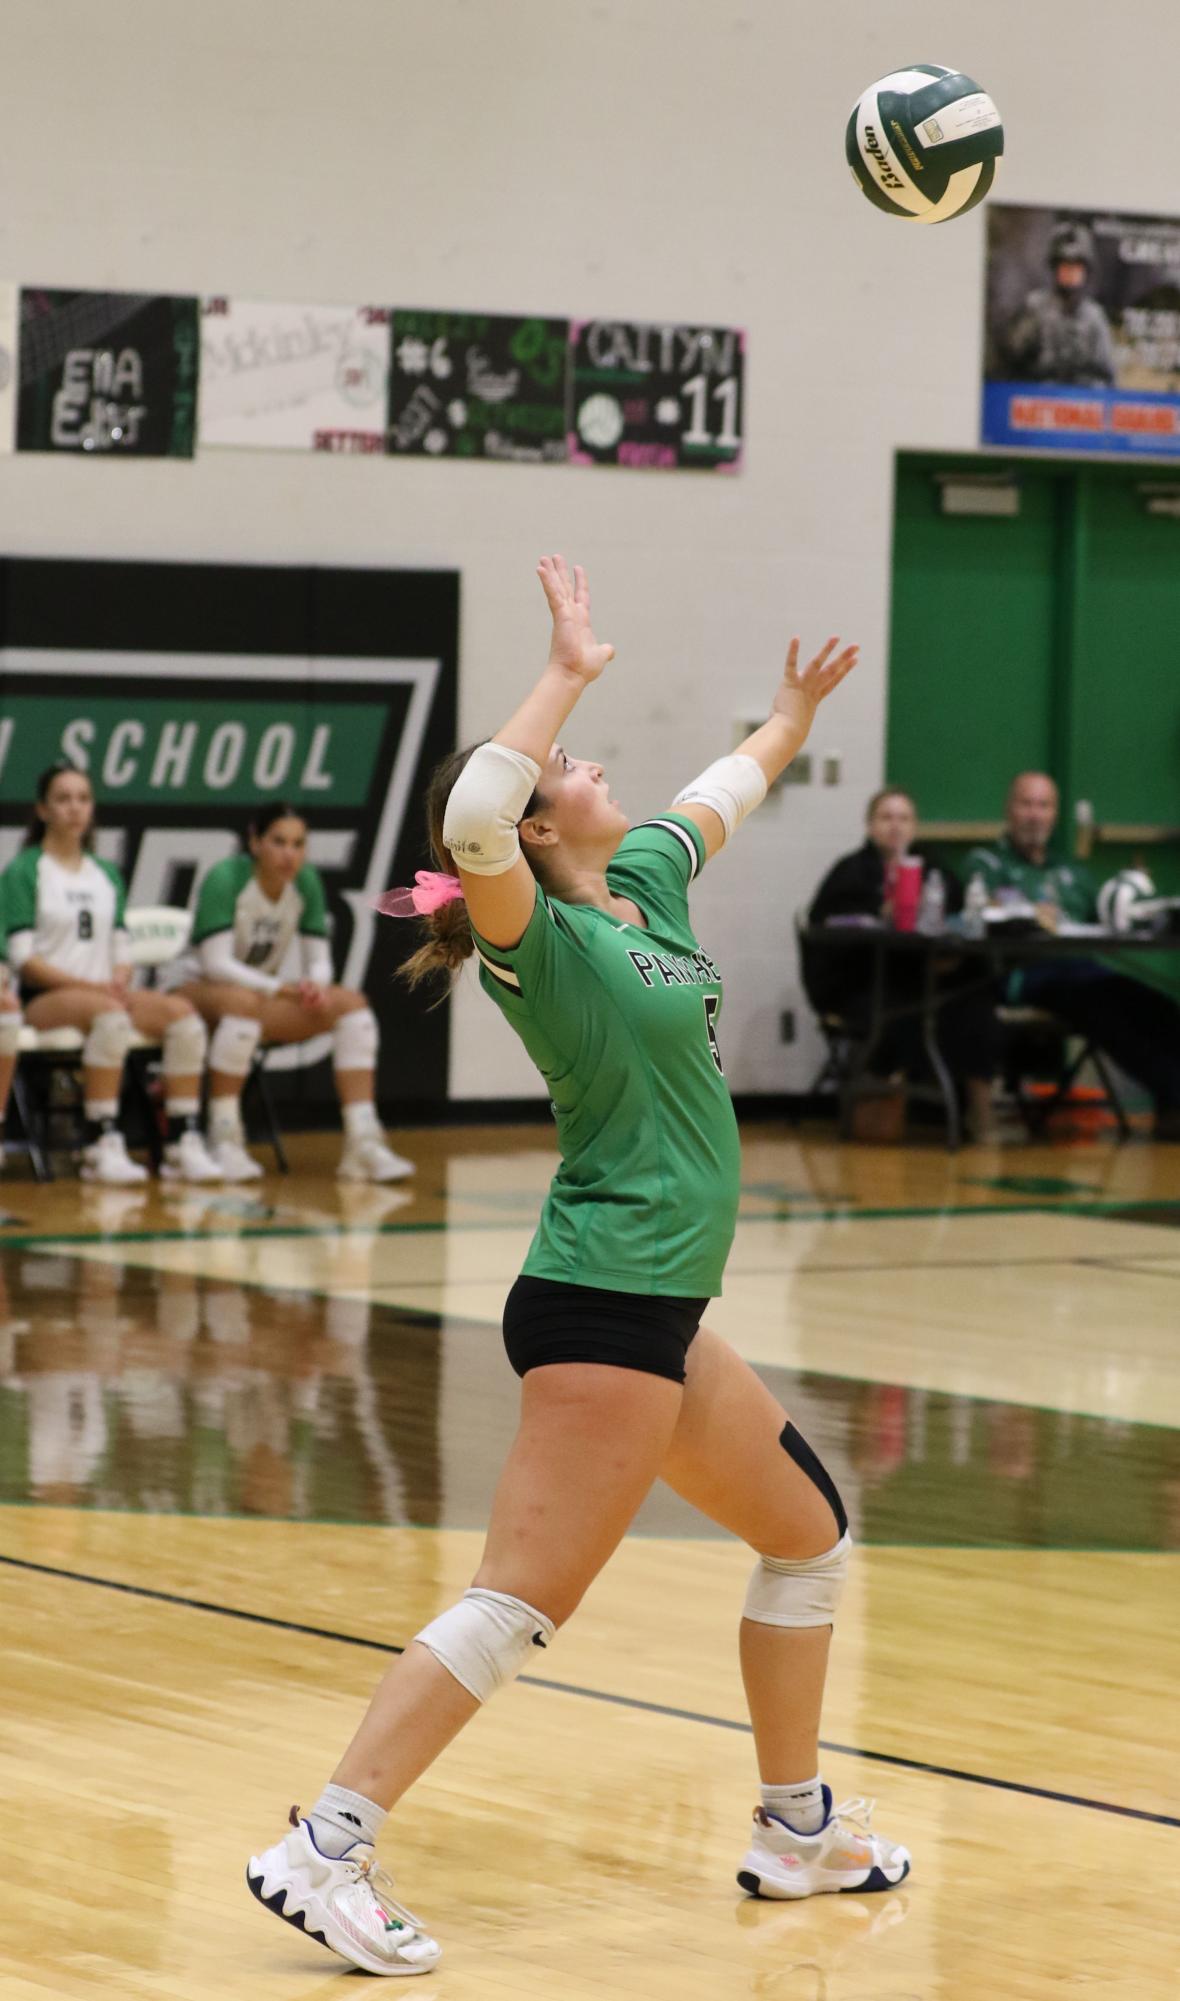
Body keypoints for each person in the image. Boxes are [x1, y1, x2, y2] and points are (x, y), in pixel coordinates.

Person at [245, 556, 909, 1976]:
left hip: (661, 1310)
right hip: (603, 1298)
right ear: (537, 827)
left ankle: (797, 1826)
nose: (594, 764)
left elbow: (734, 780)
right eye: (569, 765)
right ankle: (327, 1844)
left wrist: (791, 712)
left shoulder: (649, 885)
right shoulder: (529, 935)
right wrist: (566, 672)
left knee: (806, 1538)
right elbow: (475, 808)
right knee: (521, 1598)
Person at [162, 802, 413, 1183]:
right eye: (278, 842)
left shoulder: (305, 881)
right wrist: (282, 988)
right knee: (243, 1005)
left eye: (298, 844)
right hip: (193, 989)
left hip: (257, 996)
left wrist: (314, 982)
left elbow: (319, 958)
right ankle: (224, 1136)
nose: (289, 854)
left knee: (352, 1007)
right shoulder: (226, 877)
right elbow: (216, 963)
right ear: (255, 842)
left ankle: (363, 1140)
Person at [0, 763, 221, 1186]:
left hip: (104, 992)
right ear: (42, 809)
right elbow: (24, 959)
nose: (74, 809)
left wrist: (120, 977)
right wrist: (95, 988)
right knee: (110, 1015)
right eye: (63, 799)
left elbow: (122, 946)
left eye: (83, 799)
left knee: (183, 1017)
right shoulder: (25, 870)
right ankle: (101, 1144)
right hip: (45, 998)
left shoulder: (105, 873)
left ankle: (181, 1140)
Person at [966, 772, 1180, 1141]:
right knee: (1102, 1003)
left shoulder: (1070, 871)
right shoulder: (986, 862)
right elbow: (982, 913)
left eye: (1044, 805)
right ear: (1009, 809)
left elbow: (1106, 922)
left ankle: (1170, 1104)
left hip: (1080, 971)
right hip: (1021, 974)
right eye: (1026, 804)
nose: (1035, 814)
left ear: (1054, 814)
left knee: (1149, 1002)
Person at [805, 787, 1003, 1143]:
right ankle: (892, 1109)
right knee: (898, 1014)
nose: (895, 827)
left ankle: (980, 1111)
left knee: (976, 1004)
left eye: (903, 818)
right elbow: (827, 935)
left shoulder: (932, 869)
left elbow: (958, 916)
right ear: (869, 826)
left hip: (922, 978)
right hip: (865, 982)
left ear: (914, 827)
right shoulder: (850, 872)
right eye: (886, 818)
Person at [1000, 219, 1115, 388]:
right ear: (1055, 268)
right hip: (1038, 394)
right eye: (1065, 266)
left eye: (1076, 266)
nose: (1070, 273)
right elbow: (1011, 359)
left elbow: (1107, 375)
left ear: (1085, 271)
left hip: (1082, 400)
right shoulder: (1035, 308)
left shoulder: (1094, 317)